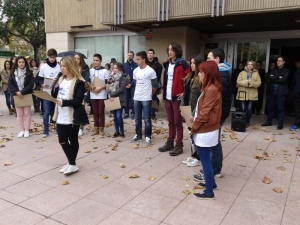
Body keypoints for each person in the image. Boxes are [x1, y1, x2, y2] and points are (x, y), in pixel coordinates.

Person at [193, 48, 231, 181]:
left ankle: (213, 172)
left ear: (217, 60)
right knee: (214, 143)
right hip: (214, 116)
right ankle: (212, 172)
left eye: (209, 59)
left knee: (214, 144)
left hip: (215, 117)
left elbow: (212, 105)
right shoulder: (215, 81)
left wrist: (194, 128)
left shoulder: (220, 77)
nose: (207, 61)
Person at [189, 61, 222, 200]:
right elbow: (202, 111)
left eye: (201, 72)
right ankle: (211, 183)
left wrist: (193, 129)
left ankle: (209, 192)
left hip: (205, 131)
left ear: (208, 73)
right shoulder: (210, 88)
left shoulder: (211, 89)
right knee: (206, 159)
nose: (199, 74)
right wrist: (194, 118)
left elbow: (204, 114)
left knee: (206, 162)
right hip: (206, 129)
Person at [52, 56, 86, 175]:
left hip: (72, 116)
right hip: (60, 115)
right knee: (62, 140)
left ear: (70, 66)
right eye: (61, 66)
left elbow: (78, 100)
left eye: (64, 66)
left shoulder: (79, 82)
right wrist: (54, 87)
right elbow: (56, 95)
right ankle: (71, 162)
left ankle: (72, 164)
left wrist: (64, 102)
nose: (62, 68)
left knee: (73, 140)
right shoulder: (61, 80)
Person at [158, 42, 190, 156]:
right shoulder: (166, 64)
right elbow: (165, 80)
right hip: (167, 97)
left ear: (177, 51)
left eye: (172, 50)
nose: (169, 51)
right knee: (170, 122)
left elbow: (190, 79)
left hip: (176, 98)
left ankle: (179, 145)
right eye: (168, 49)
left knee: (178, 123)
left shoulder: (183, 63)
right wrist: (163, 90)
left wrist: (185, 91)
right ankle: (170, 142)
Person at [129, 51, 158, 146]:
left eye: (138, 59)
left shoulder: (151, 71)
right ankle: (138, 135)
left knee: (146, 118)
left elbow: (155, 86)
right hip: (137, 97)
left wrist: (149, 95)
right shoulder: (135, 71)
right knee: (137, 118)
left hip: (146, 98)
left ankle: (148, 136)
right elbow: (136, 83)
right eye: (136, 59)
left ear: (144, 60)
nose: (136, 61)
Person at [181, 54, 204, 166]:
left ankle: (198, 157)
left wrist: (194, 113)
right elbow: (185, 93)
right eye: (191, 63)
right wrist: (182, 108)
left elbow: (200, 99)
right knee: (191, 133)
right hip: (187, 108)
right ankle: (194, 154)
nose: (192, 65)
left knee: (196, 133)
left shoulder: (200, 79)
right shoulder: (189, 76)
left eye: (194, 63)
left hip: (194, 110)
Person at [8, 56, 34, 138]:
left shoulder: (29, 72)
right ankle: (22, 130)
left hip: (26, 95)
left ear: (25, 63)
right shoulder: (13, 73)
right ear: (16, 63)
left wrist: (22, 92)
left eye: (23, 62)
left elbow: (31, 84)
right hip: (17, 95)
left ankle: (27, 130)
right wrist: (17, 92)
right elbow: (10, 84)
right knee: (19, 114)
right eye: (19, 62)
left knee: (27, 114)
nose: (21, 64)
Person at [262, 56, 289, 130]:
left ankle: (280, 124)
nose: (278, 62)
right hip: (272, 91)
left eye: (280, 61)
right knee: (270, 107)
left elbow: (284, 80)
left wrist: (274, 77)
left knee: (280, 108)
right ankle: (269, 122)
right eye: (277, 61)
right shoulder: (274, 69)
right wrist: (278, 77)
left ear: (283, 62)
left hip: (281, 92)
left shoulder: (286, 70)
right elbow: (269, 78)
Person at [38, 49, 61, 138]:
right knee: (46, 112)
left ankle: (58, 130)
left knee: (56, 112)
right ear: (48, 57)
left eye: (54, 57)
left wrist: (59, 82)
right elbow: (39, 79)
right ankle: (45, 131)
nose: (52, 59)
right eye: (50, 57)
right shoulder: (44, 67)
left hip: (56, 92)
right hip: (46, 92)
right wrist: (42, 84)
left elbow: (63, 77)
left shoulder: (59, 66)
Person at [236, 60, 261, 127]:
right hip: (243, 93)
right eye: (248, 64)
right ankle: (242, 121)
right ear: (246, 66)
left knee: (249, 109)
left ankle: (247, 122)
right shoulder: (242, 73)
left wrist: (252, 83)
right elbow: (238, 82)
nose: (250, 65)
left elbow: (258, 83)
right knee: (243, 109)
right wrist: (247, 82)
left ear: (253, 66)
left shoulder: (256, 73)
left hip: (251, 94)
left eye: (251, 64)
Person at [89, 53, 109, 136]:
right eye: (94, 60)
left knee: (101, 111)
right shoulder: (91, 71)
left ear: (101, 61)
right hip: (93, 93)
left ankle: (101, 128)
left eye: (97, 60)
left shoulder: (105, 71)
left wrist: (100, 88)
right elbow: (88, 83)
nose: (95, 62)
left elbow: (108, 84)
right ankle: (95, 127)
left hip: (102, 94)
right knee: (95, 112)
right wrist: (93, 88)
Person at [107, 62, 127, 137]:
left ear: (120, 68)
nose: (114, 69)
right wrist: (109, 95)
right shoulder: (111, 76)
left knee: (119, 116)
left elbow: (122, 88)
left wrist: (112, 94)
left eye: (116, 68)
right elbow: (108, 86)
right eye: (114, 68)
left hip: (119, 99)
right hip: (112, 99)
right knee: (115, 116)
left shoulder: (123, 76)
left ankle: (122, 131)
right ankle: (117, 131)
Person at [74, 53, 90, 136]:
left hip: (82, 90)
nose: (76, 60)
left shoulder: (85, 68)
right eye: (75, 58)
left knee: (81, 109)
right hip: (73, 90)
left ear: (81, 60)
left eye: (78, 58)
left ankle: (80, 128)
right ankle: (74, 126)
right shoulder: (71, 67)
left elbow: (86, 79)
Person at [147, 48, 162, 120]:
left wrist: (155, 84)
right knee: (146, 99)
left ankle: (152, 114)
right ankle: (147, 114)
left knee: (153, 99)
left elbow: (158, 75)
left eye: (151, 53)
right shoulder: (145, 63)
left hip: (153, 85)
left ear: (153, 55)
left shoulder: (157, 65)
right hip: (146, 85)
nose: (150, 54)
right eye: (149, 53)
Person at [123, 51, 138, 119]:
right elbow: (122, 75)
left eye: (131, 55)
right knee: (125, 99)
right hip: (125, 86)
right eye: (128, 55)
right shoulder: (124, 65)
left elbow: (137, 77)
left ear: (133, 56)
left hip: (133, 85)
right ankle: (126, 113)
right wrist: (125, 84)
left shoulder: (136, 65)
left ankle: (133, 113)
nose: (129, 56)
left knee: (133, 100)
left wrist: (131, 84)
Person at [289, 59, 300, 131]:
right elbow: (293, 82)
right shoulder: (297, 72)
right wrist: (293, 92)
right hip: (297, 94)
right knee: (297, 111)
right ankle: (296, 124)